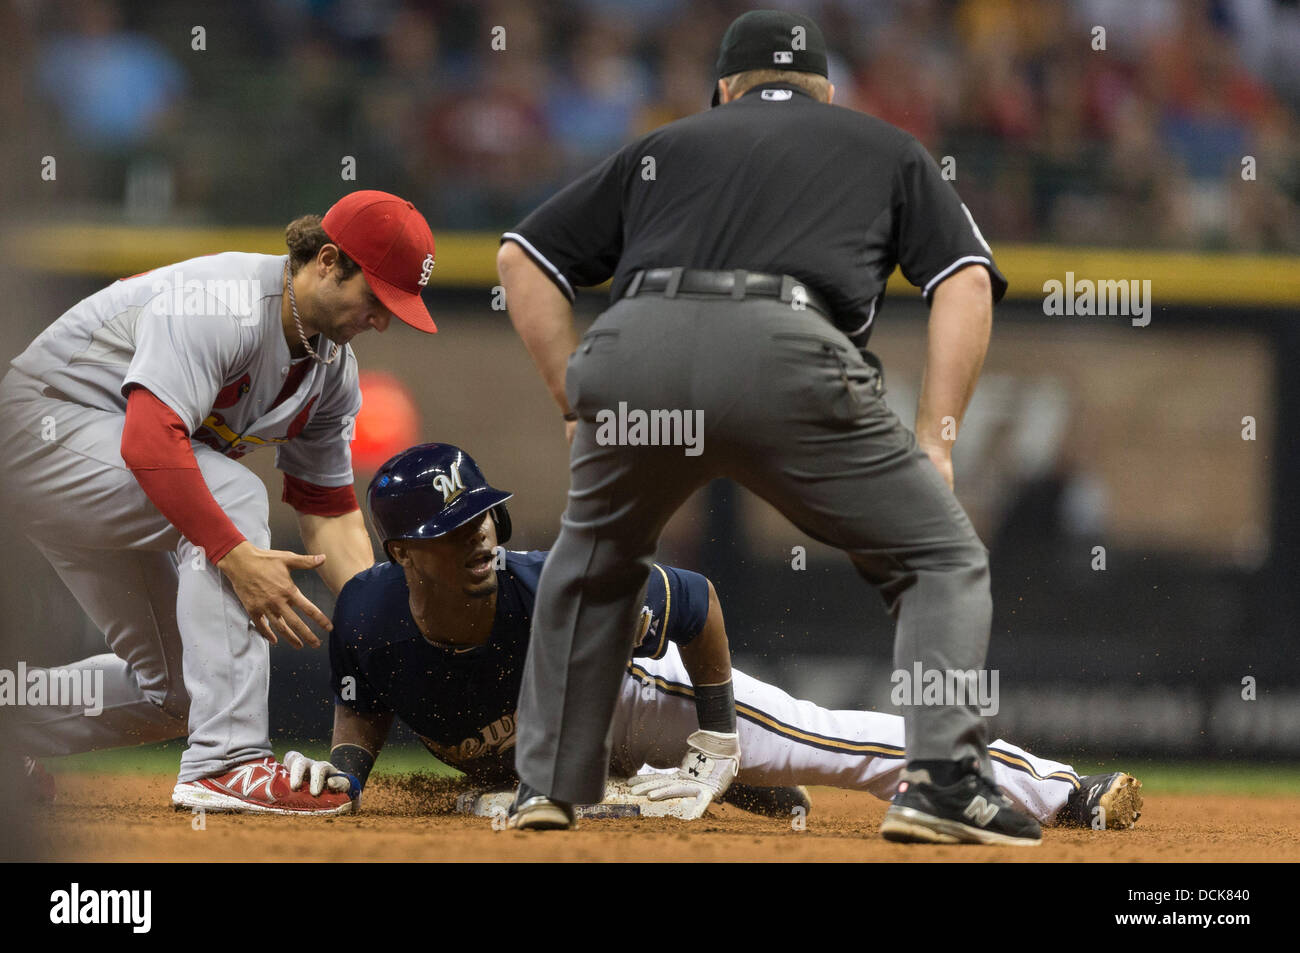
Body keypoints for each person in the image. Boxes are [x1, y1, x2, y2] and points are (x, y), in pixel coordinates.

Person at [497, 9, 1039, 844]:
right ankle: (939, 779)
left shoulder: (663, 146)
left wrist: (575, 399)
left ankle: (547, 785)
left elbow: (521, 259)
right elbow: (964, 279)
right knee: (940, 555)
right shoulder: (886, 146)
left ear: (723, 90)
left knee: (594, 561)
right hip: (787, 351)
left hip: (634, 347)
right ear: (827, 90)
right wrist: (937, 439)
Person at [285, 443, 1142, 835]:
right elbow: (361, 703)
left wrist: (719, 739)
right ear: (401, 555)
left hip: (628, 697)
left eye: (481, 519)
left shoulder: (555, 587)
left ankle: (1061, 791)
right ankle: (706, 789)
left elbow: (694, 601)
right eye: (451, 530)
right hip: (535, 760)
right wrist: (345, 773)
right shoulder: (364, 614)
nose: (478, 539)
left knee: (821, 739)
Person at [0, 190, 438, 814]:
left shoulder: (330, 371)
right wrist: (234, 553)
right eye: (377, 297)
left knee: (177, 691)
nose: (384, 318)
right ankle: (226, 762)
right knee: (230, 490)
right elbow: (150, 439)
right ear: (328, 261)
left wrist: (380, 620)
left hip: (107, 475)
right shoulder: (224, 302)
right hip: (38, 432)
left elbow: (327, 508)